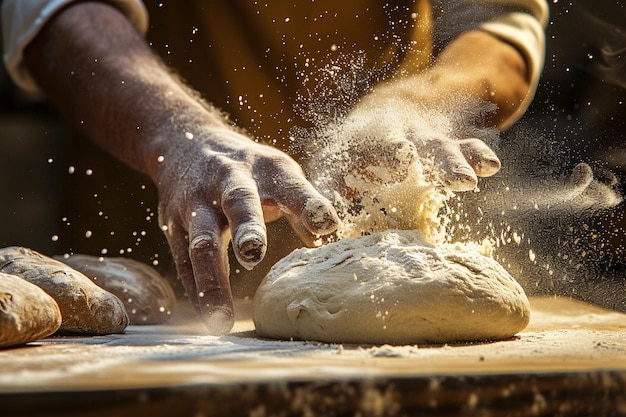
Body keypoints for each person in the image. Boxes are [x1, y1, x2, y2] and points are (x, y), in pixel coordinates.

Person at [1, 0, 548, 334]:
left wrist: (416, 104)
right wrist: (174, 134)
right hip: (162, 219)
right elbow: (50, 9)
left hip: (377, 216)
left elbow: (498, 25)